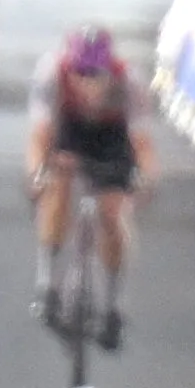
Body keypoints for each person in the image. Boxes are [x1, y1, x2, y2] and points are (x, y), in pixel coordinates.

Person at [28, 28, 156, 347]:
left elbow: (141, 142)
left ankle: (114, 304)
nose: (87, 83)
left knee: (113, 215)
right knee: (56, 190)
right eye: (80, 74)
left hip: (112, 141)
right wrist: (36, 174)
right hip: (69, 134)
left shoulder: (129, 83)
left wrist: (146, 180)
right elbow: (40, 134)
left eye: (95, 75)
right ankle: (47, 285)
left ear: (109, 72)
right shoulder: (51, 75)